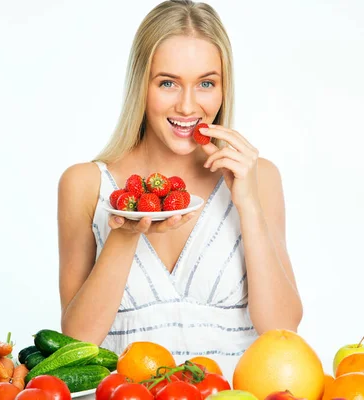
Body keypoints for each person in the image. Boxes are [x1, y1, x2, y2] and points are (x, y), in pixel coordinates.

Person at [57, 0, 303, 380]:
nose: (188, 106)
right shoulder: (85, 184)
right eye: (168, 83)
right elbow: (77, 343)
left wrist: (248, 205)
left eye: (206, 83)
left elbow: (282, 329)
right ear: (142, 85)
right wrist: (125, 234)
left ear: (223, 87)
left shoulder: (260, 177)